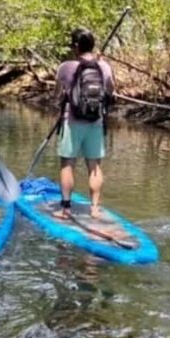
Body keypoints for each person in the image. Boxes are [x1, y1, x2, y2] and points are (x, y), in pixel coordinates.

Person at [53, 27, 115, 220]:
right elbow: (110, 91)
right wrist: (102, 64)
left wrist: (61, 100)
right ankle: (95, 208)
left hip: (71, 122)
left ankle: (65, 209)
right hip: (95, 121)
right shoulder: (103, 67)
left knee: (67, 164)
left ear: (76, 46)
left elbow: (57, 93)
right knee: (94, 165)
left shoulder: (65, 67)